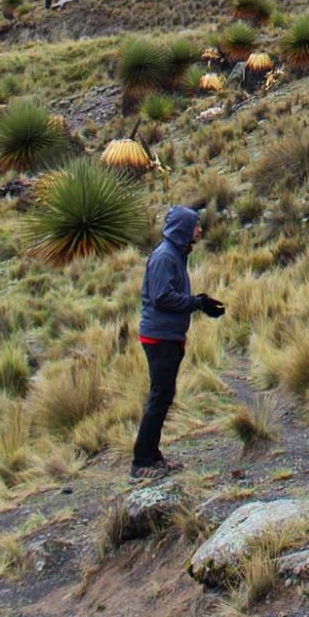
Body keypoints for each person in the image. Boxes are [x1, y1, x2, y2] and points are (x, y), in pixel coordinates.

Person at [131, 204, 225, 480]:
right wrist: (196, 303)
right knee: (160, 397)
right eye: (196, 225)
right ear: (185, 228)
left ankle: (153, 455)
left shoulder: (175, 254)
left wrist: (199, 303)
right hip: (159, 337)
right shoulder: (165, 257)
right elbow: (162, 297)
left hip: (167, 336)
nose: (200, 230)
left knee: (163, 396)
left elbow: (168, 295)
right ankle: (141, 462)